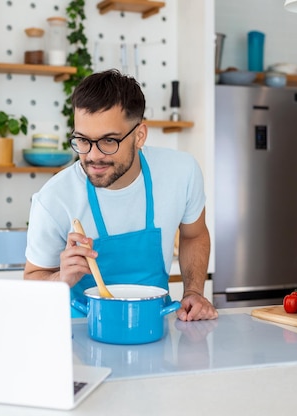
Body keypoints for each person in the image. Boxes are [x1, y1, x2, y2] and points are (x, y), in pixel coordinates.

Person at [24, 69, 217, 321]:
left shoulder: (181, 172)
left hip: (152, 325)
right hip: (82, 334)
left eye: (108, 141)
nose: (93, 155)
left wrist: (193, 291)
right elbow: (32, 278)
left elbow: (195, 235)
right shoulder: (54, 198)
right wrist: (60, 277)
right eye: (82, 140)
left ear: (139, 136)